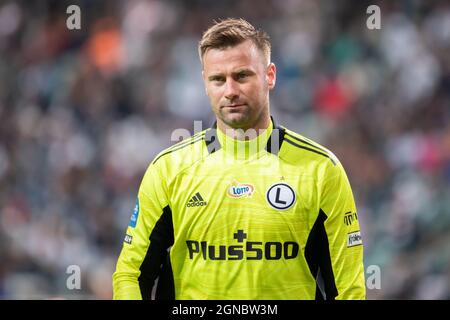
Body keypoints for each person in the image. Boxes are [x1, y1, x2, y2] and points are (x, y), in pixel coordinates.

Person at [112, 18, 365, 300]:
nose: (230, 90)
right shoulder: (169, 170)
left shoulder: (320, 170)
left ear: (270, 75)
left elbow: (348, 290)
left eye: (242, 76)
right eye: (218, 79)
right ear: (205, 84)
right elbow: (131, 274)